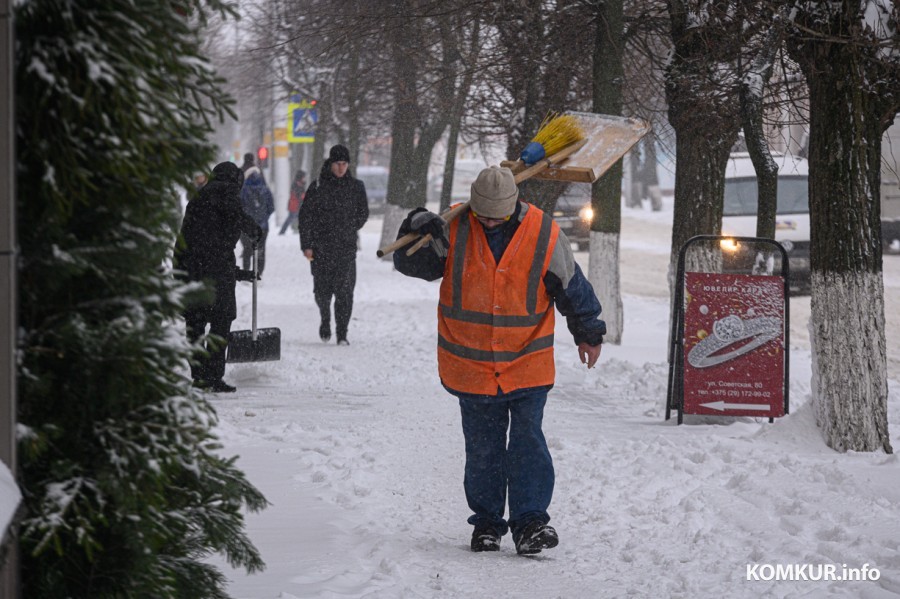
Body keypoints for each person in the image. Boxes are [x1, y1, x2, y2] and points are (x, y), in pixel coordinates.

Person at [392, 166, 605, 555]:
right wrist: (415, 224)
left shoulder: (543, 233)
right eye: (483, 215)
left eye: (497, 216)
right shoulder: (453, 227)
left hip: (527, 359)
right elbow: (409, 263)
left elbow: (571, 285)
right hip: (471, 364)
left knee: (527, 443)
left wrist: (589, 332)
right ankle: (487, 524)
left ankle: (530, 523)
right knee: (484, 448)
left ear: (514, 206)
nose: (489, 223)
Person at [174, 161, 262, 393]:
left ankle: (198, 375)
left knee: (195, 322)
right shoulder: (228, 193)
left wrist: (180, 271)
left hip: (191, 268)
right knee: (221, 319)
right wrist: (253, 228)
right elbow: (229, 230)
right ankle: (213, 376)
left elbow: (193, 240)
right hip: (216, 272)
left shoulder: (197, 198)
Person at [298, 144, 369, 345]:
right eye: (338, 164)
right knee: (322, 291)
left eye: (344, 164)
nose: (341, 168)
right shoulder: (318, 186)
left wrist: (348, 226)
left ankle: (342, 333)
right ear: (331, 164)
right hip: (321, 249)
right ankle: (325, 318)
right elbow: (305, 217)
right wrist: (307, 245)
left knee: (345, 292)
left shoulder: (356, 187)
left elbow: (363, 213)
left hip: (345, 249)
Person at [239, 164, 275, 278]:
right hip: (262, 227)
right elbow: (271, 207)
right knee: (260, 250)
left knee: (247, 249)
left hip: (246, 227)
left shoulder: (243, 190)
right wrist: (264, 218)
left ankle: (246, 272)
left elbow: (239, 207)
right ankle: (258, 273)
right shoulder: (265, 189)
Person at [278, 169, 306, 235]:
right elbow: (299, 195)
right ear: (300, 177)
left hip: (296, 205)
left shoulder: (299, 185)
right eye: (303, 177)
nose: (304, 178)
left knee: (293, 218)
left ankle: (289, 230)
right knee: (291, 218)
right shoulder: (297, 185)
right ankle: (283, 231)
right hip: (294, 205)